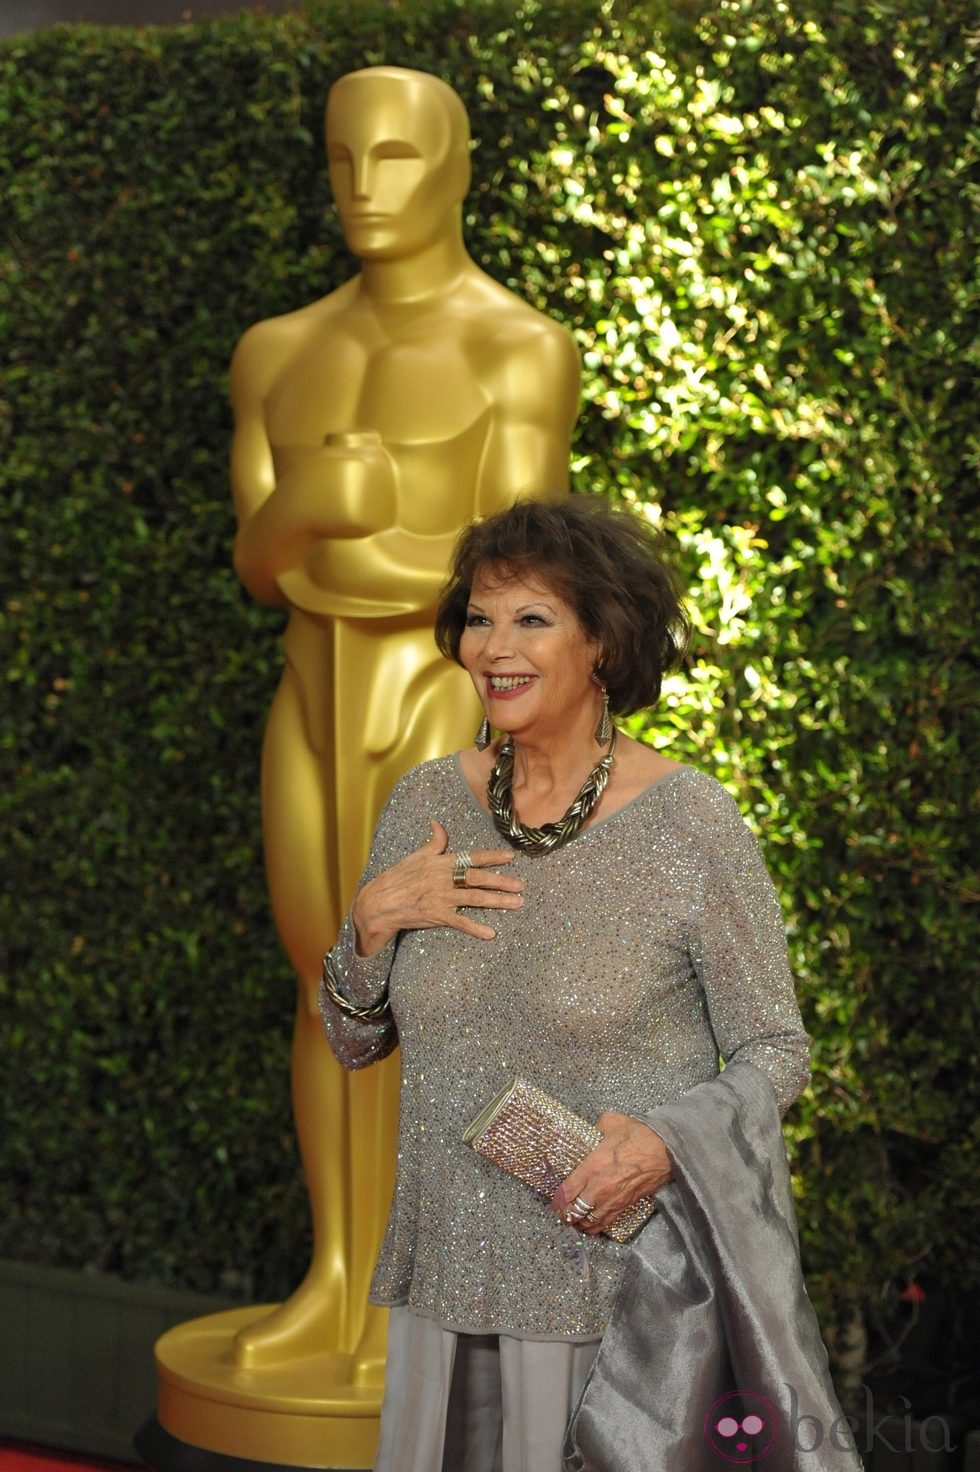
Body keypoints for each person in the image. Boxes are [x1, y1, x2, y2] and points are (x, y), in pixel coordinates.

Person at [319, 496, 813, 1471]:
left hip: (610, 1296)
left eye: (530, 618)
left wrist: (665, 1143)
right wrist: (368, 925)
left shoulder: (687, 822)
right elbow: (353, 1039)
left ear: (602, 643)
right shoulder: (423, 801)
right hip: (442, 1281)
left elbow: (775, 1049)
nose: (492, 646)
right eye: (479, 616)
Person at [229, 64, 578, 1378]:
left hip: (445, 700)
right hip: (312, 698)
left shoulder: (516, 347)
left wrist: (344, 550)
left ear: (455, 167)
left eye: (394, 159)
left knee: (441, 993)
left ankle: (426, 1300)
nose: (363, 189)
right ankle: (335, 1284)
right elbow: (264, 560)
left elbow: (516, 576)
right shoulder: (279, 351)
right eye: (342, 160)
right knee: (327, 983)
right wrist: (318, 514)